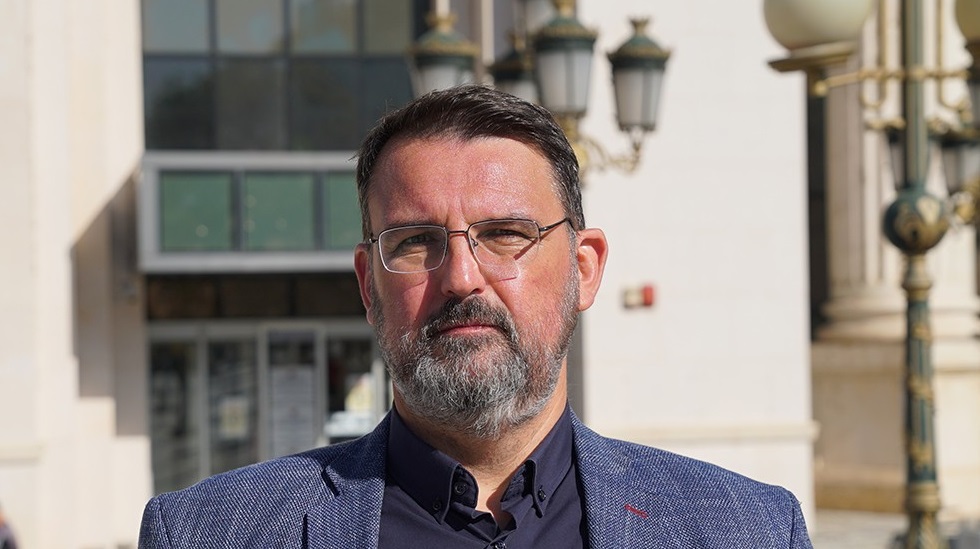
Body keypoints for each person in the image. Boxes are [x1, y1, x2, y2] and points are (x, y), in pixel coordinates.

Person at [139, 85, 813, 548]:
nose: (461, 276)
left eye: (505, 234)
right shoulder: (208, 532)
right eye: (414, 242)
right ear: (369, 286)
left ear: (583, 269)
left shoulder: (747, 529)